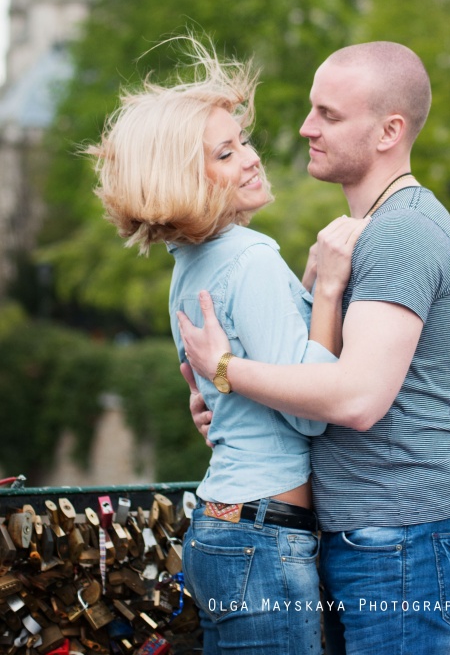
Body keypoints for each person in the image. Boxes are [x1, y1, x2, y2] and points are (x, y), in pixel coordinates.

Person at [179, 41, 450, 655]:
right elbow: (317, 374)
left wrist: (228, 370)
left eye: (329, 114)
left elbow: (356, 400)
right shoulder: (366, 235)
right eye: (311, 108)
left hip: (402, 534)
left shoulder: (401, 234)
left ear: (389, 132)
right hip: (374, 533)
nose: (306, 127)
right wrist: (232, 402)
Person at [86, 42, 366, 655]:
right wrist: (328, 291)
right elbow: (311, 413)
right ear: (185, 179)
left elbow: (233, 390)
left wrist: (305, 284)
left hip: (225, 529)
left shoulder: (189, 266)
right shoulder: (250, 257)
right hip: (264, 538)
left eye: (242, 141)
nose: (251, 158)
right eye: (225, 153)